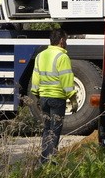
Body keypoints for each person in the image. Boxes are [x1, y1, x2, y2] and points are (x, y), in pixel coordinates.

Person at [31, 28, 75, 164]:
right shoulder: (62, 57)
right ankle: (50, 160)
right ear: (61, 41)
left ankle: (43, 159)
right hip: (57, 98)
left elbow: (36, 77)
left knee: (47, 129)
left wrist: (36, 94)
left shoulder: (40, 55)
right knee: (55, 130)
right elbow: (66, 78)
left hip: (44, 98)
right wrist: (73, 98)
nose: (66, 43)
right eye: (66, 40)